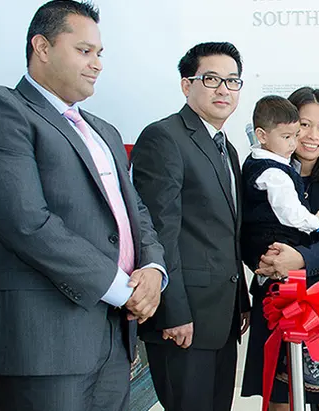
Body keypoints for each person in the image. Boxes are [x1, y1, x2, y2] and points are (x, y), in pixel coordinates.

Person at [0, 2, 167, 410]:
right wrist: (123, 290)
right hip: (46, 344)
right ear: (42, 47)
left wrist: (154, 272)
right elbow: (26, 223)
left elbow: (137, 214)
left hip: (114, 339)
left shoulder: (103, 129)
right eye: (84, 51)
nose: (97, 64)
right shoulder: (4, 110)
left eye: (100, 53)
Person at [131, 42, 251, 411]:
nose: (223, 90)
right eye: (211, 78)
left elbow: (224, 233)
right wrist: (173, 311)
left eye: (232, 81)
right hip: (184, 321)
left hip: (222, 316)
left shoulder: (226, 147)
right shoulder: (164, 137)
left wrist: (241, 300)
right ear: (187, 85)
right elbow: (158, 231)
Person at [241, 87, 319, 411]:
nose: (312, 136)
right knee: (278, 395)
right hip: (275, 295)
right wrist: (265, 261)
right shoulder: (262, 170)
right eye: (305, 125)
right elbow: (243, 226)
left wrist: (301, 259)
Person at [240, 95, 319, 273]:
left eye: (296, 135)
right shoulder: (275, 174)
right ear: (261, 135)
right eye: (286, 137)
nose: (293, 143)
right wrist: (315, 223)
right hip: (278, 245)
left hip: (257, 247)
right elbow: (290, 212)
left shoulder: (254, 160)